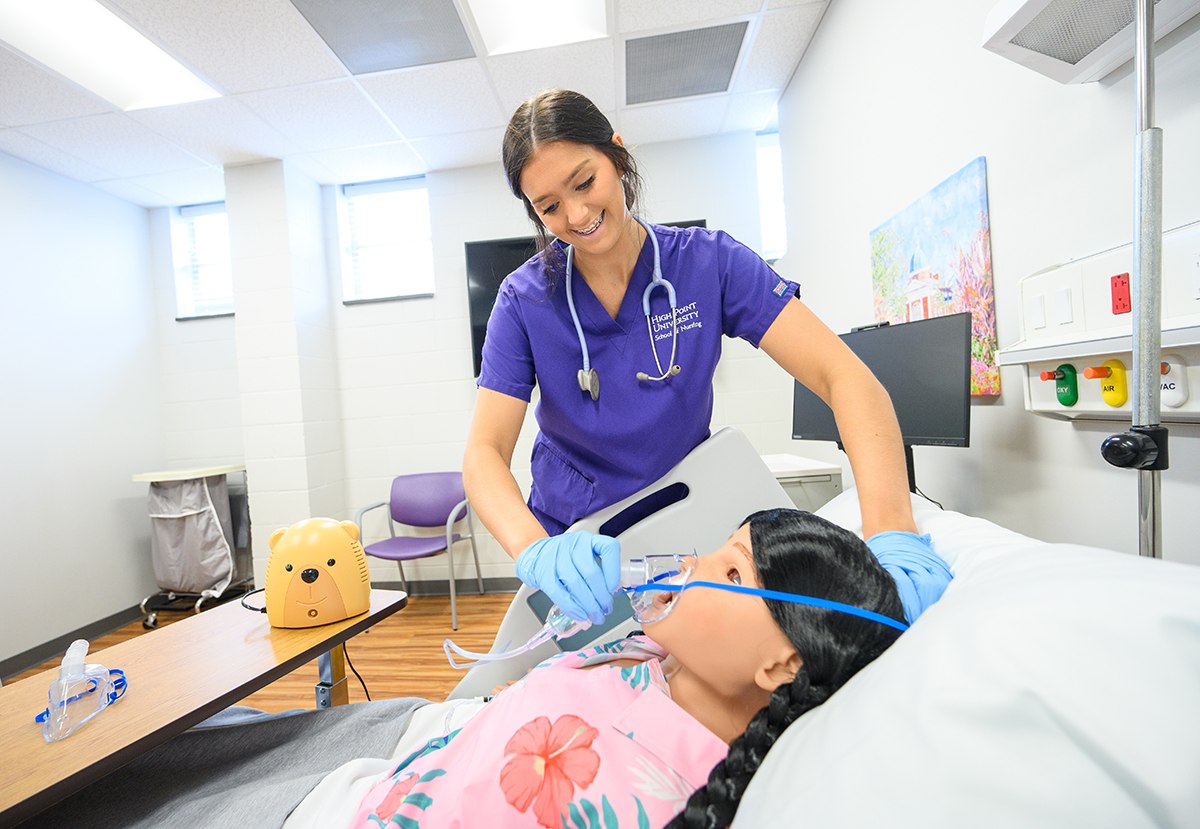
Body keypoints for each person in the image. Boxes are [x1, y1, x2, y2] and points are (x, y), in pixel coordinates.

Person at [463, 88, 934, 627]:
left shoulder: (710, 264)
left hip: (689, 527)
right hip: (579, 548)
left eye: (585, 182)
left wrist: (894, 532)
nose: (575, 214)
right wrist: (537, 551)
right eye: (549, 207)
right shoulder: (524, 301)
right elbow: (483, 453)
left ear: (616, 154)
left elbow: (843, 375)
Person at [349, 509, 909, 829]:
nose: (693, 562)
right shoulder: (660, 656)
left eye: (733, 572)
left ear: (784, 665)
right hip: (409, 757)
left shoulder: (648, 795)